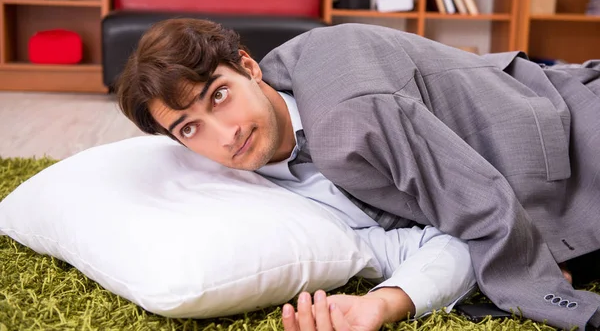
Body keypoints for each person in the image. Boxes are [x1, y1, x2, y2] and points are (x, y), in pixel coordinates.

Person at [115, 18, 600, 330]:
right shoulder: (259, 191)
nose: (225, 133)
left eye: (218, 95)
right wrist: (382, 303)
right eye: (190, 127)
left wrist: (540, 288)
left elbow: (479, 204)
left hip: (575, 128)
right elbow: (438, 238)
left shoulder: (348, 111)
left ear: (248, 67)